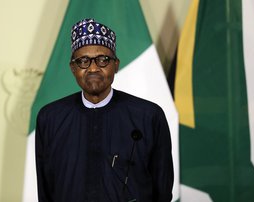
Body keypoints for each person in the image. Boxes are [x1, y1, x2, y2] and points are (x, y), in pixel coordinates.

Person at [35, 18, 174, 202]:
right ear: (73, 68)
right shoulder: (50, 119)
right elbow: (45, 191)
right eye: (83, 60)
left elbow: (162, 191)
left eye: (103, 60)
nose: (93, 68)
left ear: (116, 65)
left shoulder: (148, 116)